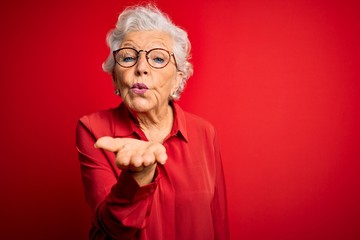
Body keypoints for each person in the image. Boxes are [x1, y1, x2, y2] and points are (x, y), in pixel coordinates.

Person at [76, 4, 229, 240]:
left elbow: (218, 221)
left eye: (157, 59)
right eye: (128, 57)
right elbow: (112, 228)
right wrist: (138, 176)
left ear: (178, 79)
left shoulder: (205, 133)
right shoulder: (94, 130)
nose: (141, 68)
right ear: (116, 76)